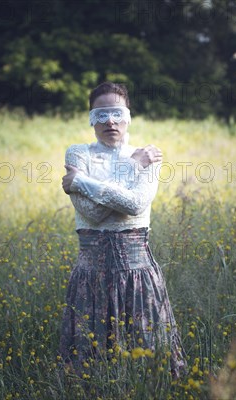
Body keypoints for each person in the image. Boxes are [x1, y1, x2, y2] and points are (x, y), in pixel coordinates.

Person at [59, 82, 185, 378]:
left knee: (148, 367)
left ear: (128, 117)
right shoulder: (78, 155)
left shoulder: (147, 156)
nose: (110, 122)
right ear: (91, 119)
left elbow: (136, 204)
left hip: (138, 276)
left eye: (116, 114)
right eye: (100, 115)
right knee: (89, 368)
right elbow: (93, 214)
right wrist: (130, 169)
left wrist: (80, 183)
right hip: (90, 278)